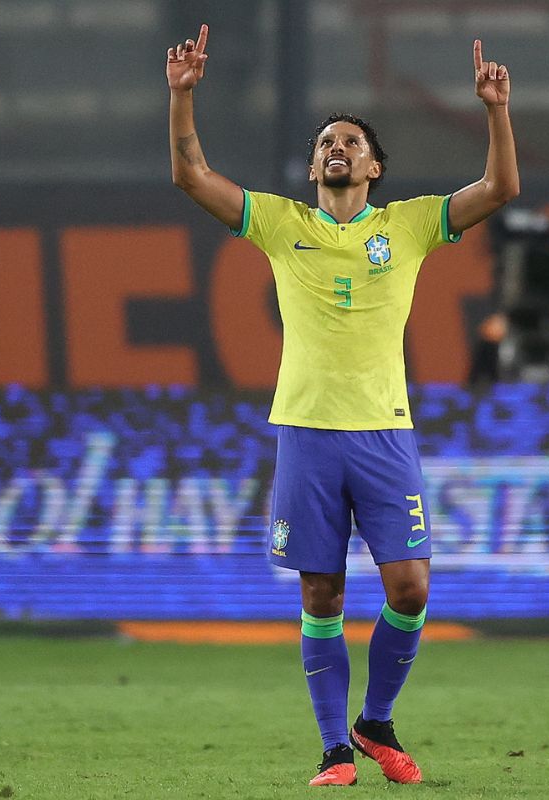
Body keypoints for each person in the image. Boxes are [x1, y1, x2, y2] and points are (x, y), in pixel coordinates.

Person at [166, 24, 519, 787]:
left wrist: (495, 110)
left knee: (412, 587)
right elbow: (193, 178)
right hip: (306, 433)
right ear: (313, 163)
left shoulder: (412, 225)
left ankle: (376, 721)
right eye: (328, 139)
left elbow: (499, 191)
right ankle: (334, 750)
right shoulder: (282, 224)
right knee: (320, 590)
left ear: (375, 167)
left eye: (353, 140)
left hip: (385, 432)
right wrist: (182, 97)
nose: (339, 146)